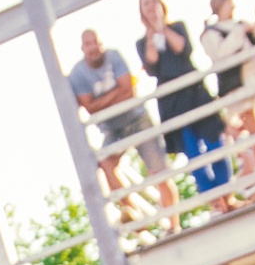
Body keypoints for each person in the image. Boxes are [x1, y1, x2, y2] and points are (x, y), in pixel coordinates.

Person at [68, 27, 178, 226]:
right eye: (88, 44)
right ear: (82, 48)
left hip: (137, 118)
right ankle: (132, 212)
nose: (93, 48)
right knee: (105, 163)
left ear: (101, 43)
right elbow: (90, 108)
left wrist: (102, 103)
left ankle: (174, 224)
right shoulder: (77, 74)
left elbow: (128, 90)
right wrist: (116, 95)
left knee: (159, 173)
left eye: (95, 42)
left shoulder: (114, 56)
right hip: (113, 129)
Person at [137, 0, 228, 210]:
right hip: (172, 101)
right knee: (192, 153)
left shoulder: (177, 27)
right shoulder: (142, 43)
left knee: (215, 143)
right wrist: (151, 34)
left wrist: (162, 27)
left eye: (154, 1)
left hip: (195, 92)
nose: (151, 6)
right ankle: (214, 201)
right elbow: (151, 64)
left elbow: (182, 48)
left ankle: (226, 193)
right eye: (146, 3)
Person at [199, 0, 255, 188]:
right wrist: (240, 32)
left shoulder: (241, 24)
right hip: (238, 84)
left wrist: (254, 29)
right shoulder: (211, 33)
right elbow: (221, 53)